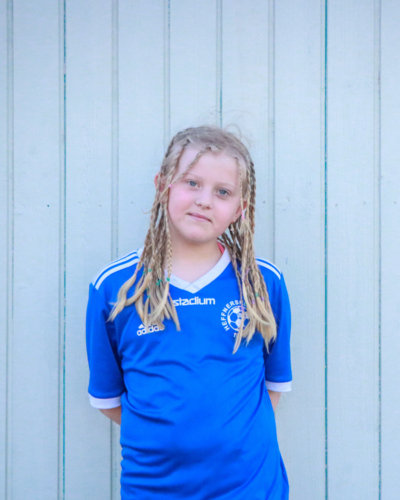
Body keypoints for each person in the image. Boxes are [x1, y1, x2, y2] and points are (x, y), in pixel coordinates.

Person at [86, 125, 292, 499]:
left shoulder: (262, 282)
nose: (204, 200)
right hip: (153, 487)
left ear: (240, 209)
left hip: (250, 486)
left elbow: (272, 386)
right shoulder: (117, 287)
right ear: (163, 186)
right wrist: (170, 437)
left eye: (223, 192)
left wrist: (229, 437)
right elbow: (108, 399)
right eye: (192, 183)